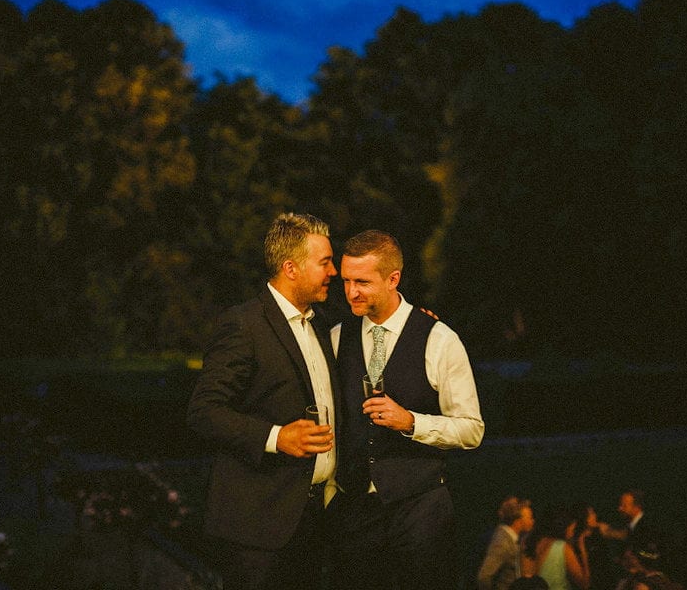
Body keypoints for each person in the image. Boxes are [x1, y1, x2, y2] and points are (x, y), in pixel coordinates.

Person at [187, 212, 340, 590]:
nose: (334, 271)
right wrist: (276, 437)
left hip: (314, 523)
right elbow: (204, 411)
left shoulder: (322, 323)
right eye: (324, 262)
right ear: (291, 267)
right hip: (257, 530)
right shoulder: (243, 325)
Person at [329, 229, 484, 590]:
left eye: (363, 282)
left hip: (421, 509)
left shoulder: (440, 340)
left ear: (393, 278)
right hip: (356, 515)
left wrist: (411, 421)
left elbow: (472, 429)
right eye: (347, 280)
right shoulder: (338, 337)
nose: (351, 291)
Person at [478, 497, 536, 590]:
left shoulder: (511, 539)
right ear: (518, 519)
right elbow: (484, 577)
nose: (532, 521)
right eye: (529, 517)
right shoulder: (503, 542)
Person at [532, 504, 591, 590]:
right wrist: (583, 551)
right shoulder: (562, 547)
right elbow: (584, 583)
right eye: (572, 528)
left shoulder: (537, 542)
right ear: (564, 527)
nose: (572, 533)